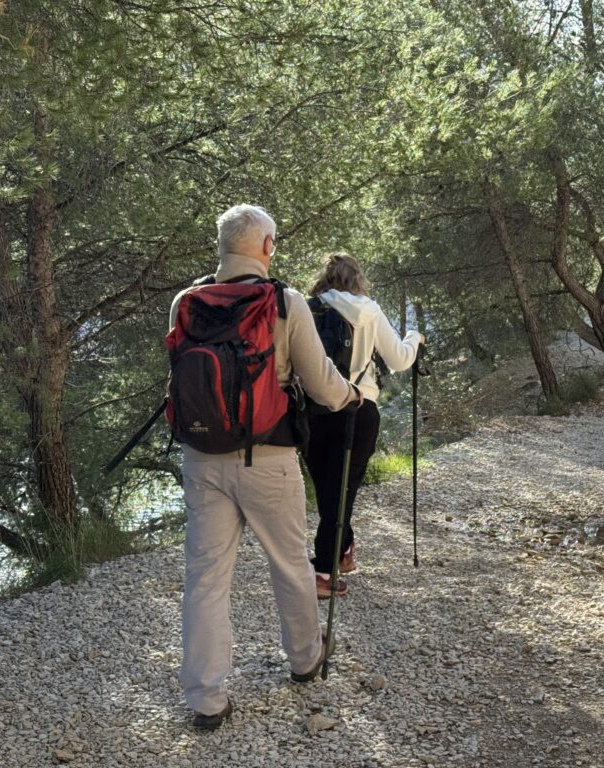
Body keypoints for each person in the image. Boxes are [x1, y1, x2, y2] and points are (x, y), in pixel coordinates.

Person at [169, 205, 361, 731]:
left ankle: (206, 698)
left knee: (205, 579)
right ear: (267, 246)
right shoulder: (283, 302)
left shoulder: (185, 302)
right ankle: (304, 661)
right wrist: (351, 396)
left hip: (201, 459)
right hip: (268, 459)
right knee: (289, 563)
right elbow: (322, 386)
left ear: (222, 246)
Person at [304, 252, 423, 598]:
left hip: (313, 411)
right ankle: (324, 572)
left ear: (324, 279)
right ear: (357, 279)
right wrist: (415, 337)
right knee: (342, 491)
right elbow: (399, 360)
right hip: (358, 407)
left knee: (329, 489)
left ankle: (343, 548)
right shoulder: (368, 310)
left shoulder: (308, 309)